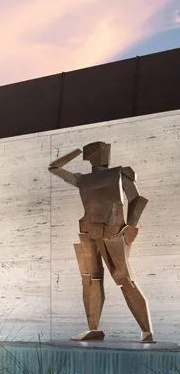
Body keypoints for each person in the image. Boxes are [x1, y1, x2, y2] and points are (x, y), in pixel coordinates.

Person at [48, 141, 153, 343]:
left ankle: (147, 331)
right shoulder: (83, 180)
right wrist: (76, 151)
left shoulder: (120, 173)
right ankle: (93, 328)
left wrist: (131, 226)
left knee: (124, 280)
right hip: (88, 232)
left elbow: (136, 199)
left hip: (113, 232)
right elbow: (54, 168)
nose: (99, 155)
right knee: (90, 280)